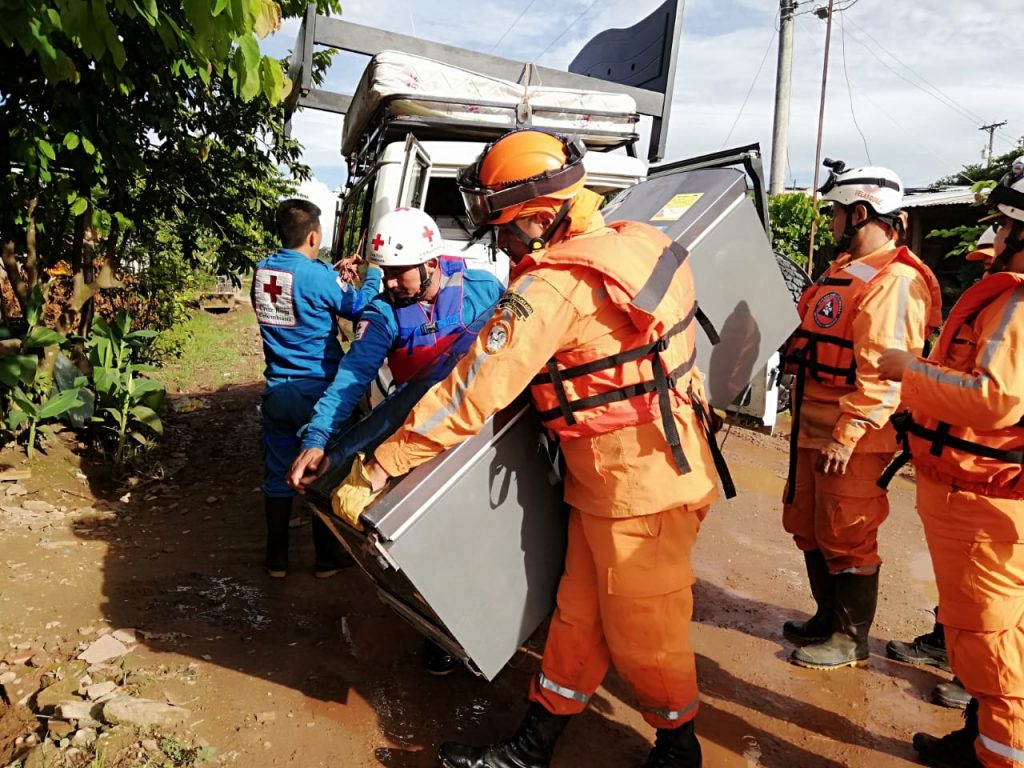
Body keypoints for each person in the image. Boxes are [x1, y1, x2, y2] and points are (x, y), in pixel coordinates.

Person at [330, 128, 729, 768]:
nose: (503, 246)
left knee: (644, 634)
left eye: (507, 231)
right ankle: (533, 747)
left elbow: (474, 390)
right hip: (619, 477)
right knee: (577, 620)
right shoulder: (638, 241)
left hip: (643, 491)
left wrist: (381, 465)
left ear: (544, 217)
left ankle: (678, 747)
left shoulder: (558, 285)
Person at [287, 206, 504, 674]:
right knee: (435, 539)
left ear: (430, 262)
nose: (385, 283)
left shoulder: (484, 290)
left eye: (395, 273)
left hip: (488, 433)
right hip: (422, 441)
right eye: (382, 272)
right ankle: (448, 633)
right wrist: (321, 439)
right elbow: (351, 379)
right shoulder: (383, 314)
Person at [878, 176, 1024, 768]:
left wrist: (906, 370)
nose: (998, 236)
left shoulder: (1019, 304)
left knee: (989, 637)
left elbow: (996, 399)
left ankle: (1003, 754)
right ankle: (980, 739)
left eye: (1008, 226)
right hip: (981, 494)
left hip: (986, 500)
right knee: (985, 630)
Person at [780, 160, 942, 670]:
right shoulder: (844, 270)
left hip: (854, 431)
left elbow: (884, 374)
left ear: (861, 213)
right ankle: (826, 617)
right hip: (814, 419)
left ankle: (850, 640)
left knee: (847, 529)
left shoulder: (895, 282)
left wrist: (849, 432)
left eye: (835, 212)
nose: (830, 222)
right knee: (807, 522)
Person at [252, 198, 382, 579]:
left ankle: (276, 560)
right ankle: (327, 560)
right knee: (326, 471)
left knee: (277, 474)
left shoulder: (263, 272)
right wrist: (370, 275)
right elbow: (360, 307)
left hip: (278, 389)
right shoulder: (315, 276)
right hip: (319, 391)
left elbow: (302, 292)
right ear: (313, 235)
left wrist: (332, 274)